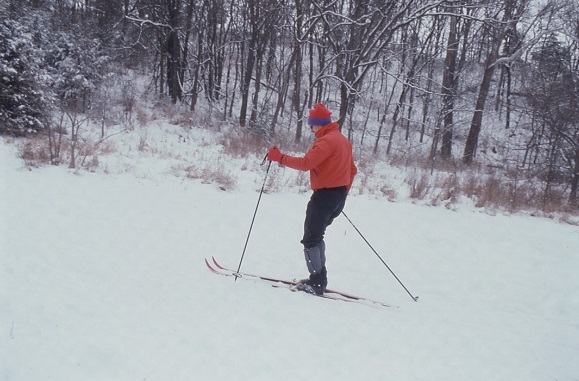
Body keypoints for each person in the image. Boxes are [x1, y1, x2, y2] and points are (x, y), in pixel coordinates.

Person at [267, 103, 357, 295]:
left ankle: (317, 282)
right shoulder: (342, 140)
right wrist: (341, 193)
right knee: (317, 236)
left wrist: (279, 157)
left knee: (311, 238)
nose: (310, 128)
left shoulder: (326, 141)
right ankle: (318, 277)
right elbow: (353, 170)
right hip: (337, 196)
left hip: (325, 196)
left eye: (312, 124)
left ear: (320, 123)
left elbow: (306, 164)